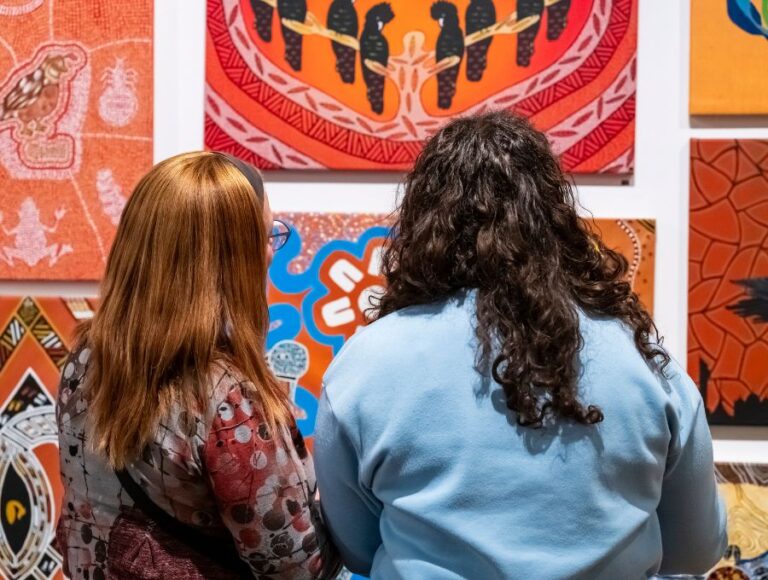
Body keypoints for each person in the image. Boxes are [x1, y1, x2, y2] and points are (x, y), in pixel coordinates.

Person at [314, 112, 728, 579]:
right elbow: (696, 549)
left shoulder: (366, 365)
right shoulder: (645, 364)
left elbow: (357, 548)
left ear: (423, 221)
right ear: (554, 217)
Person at [56, 152, 340, 579]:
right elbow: (298, 569)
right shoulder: (228, 399)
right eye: (265, 236)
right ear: (231, 258)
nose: (269, 254)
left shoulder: (83, 360)